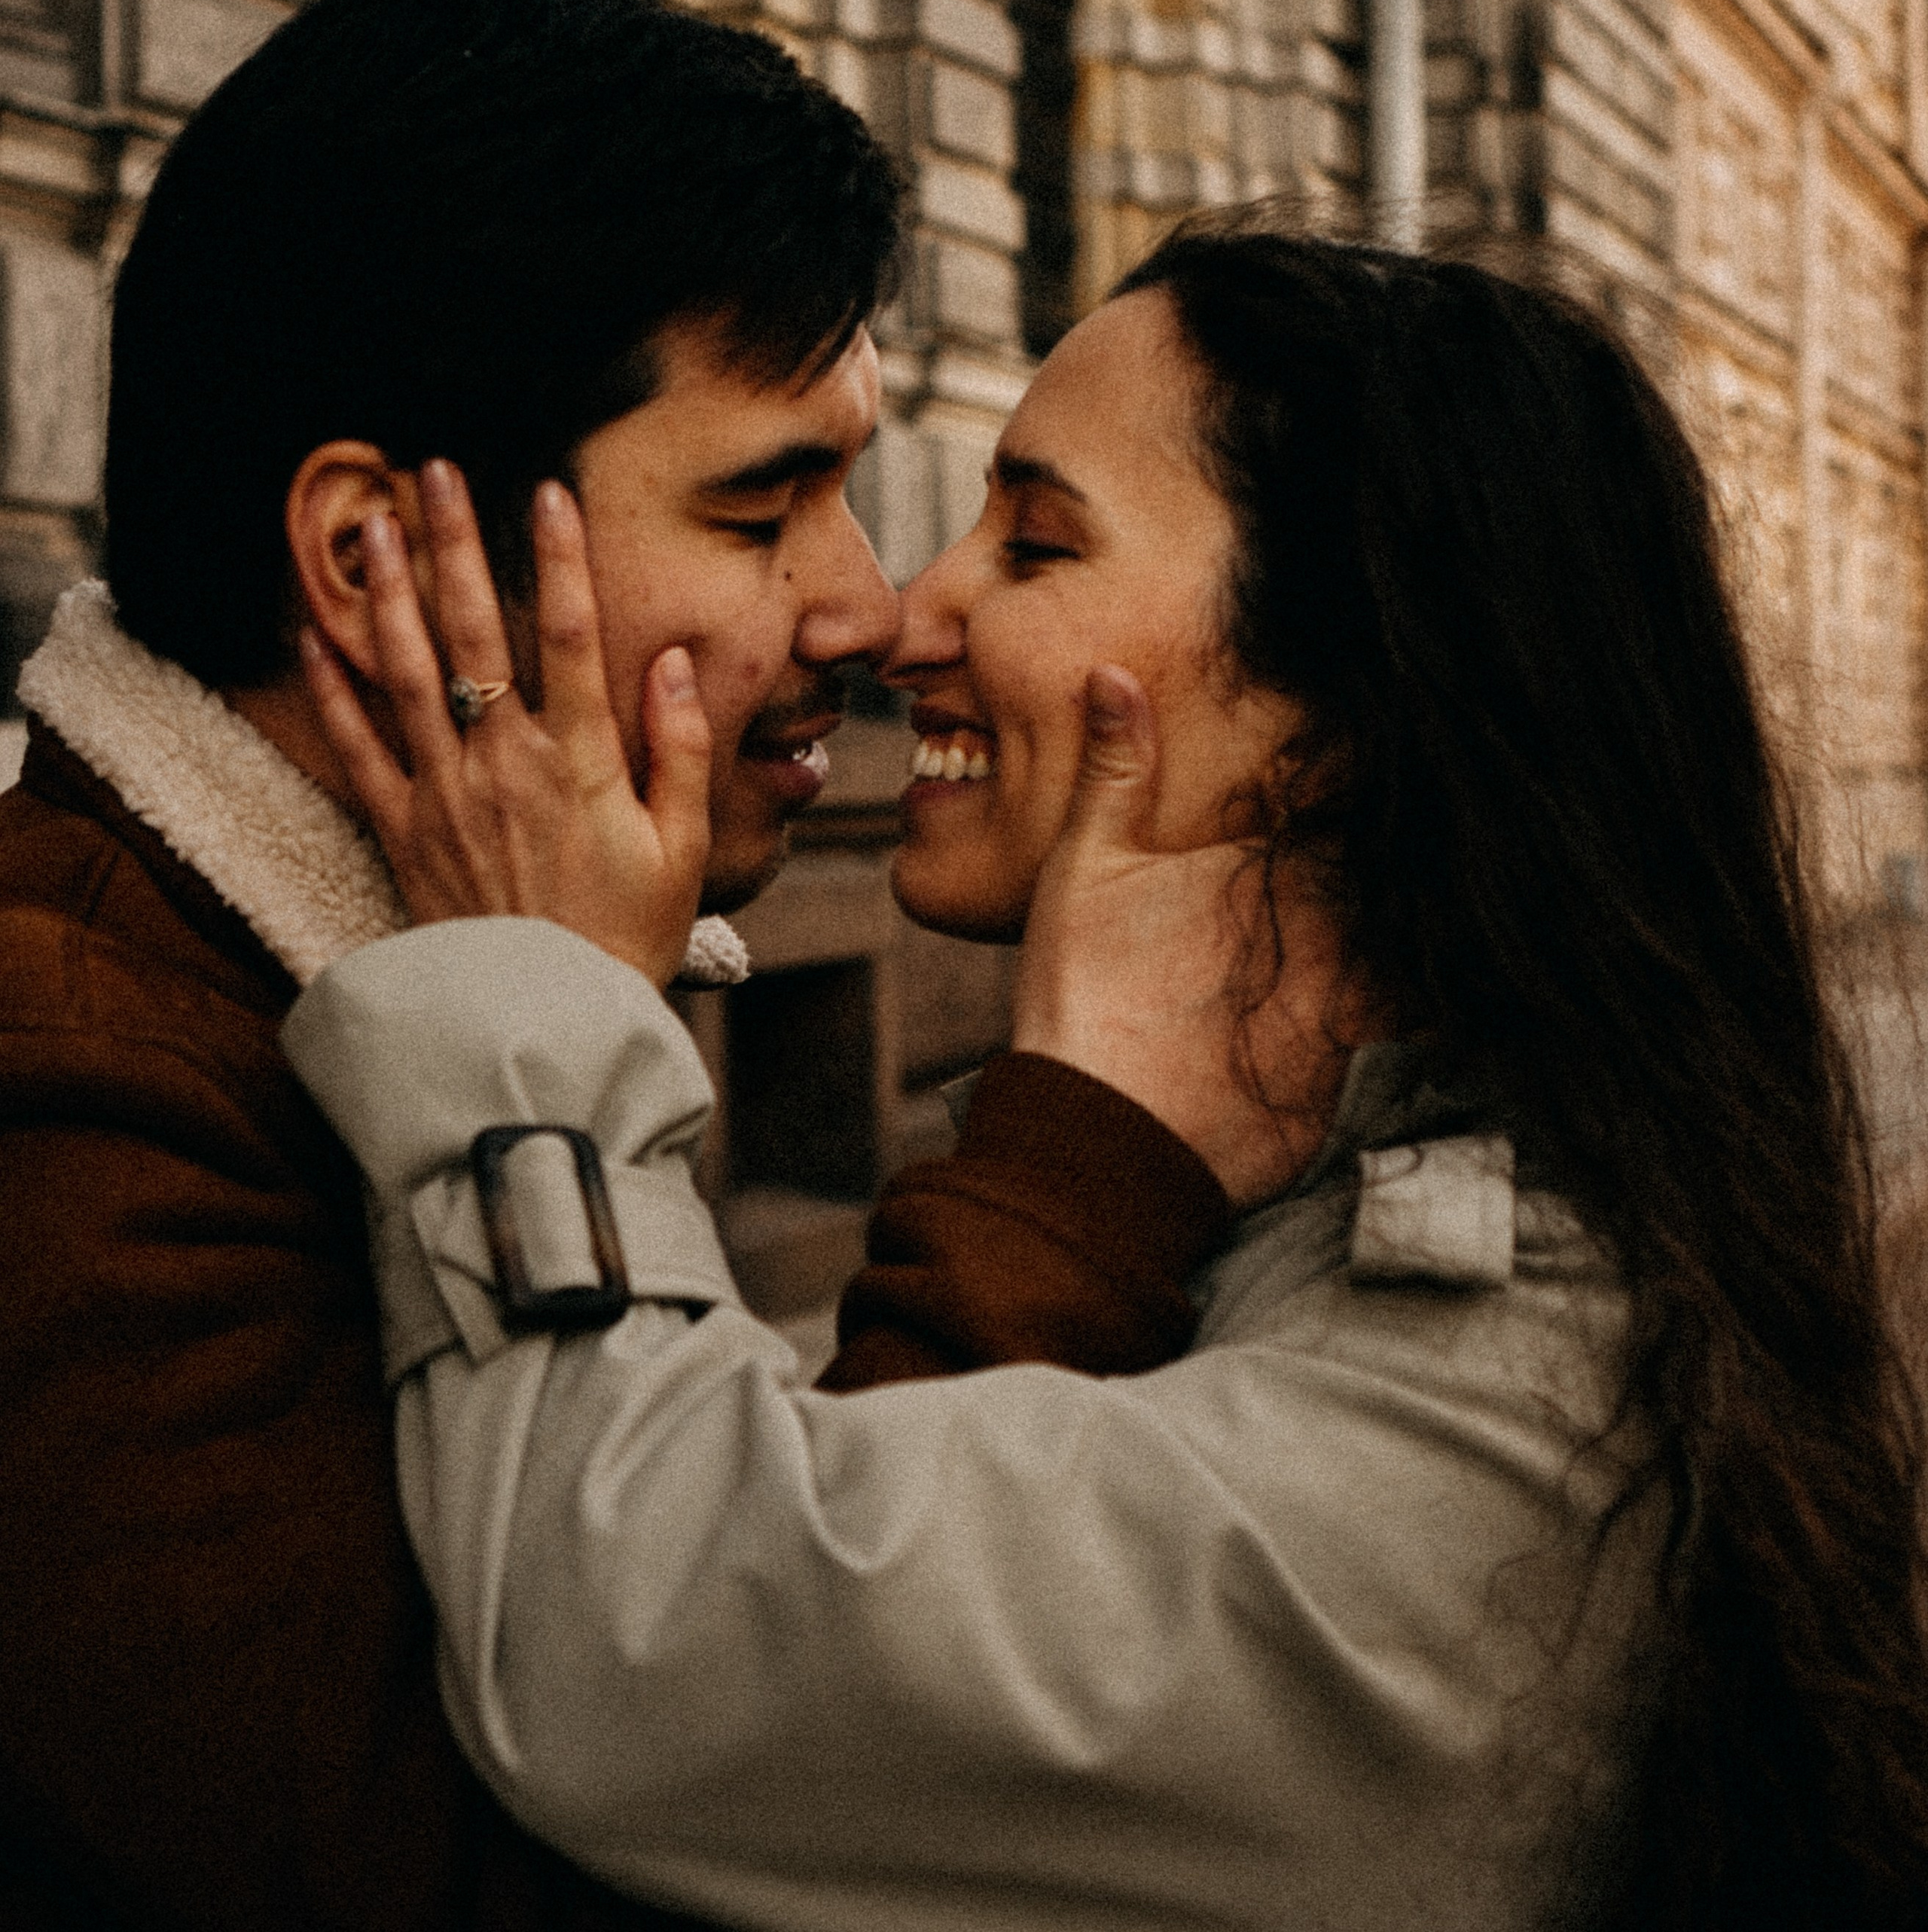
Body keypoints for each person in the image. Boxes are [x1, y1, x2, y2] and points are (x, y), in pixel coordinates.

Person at [285, 217, 1928, 1932]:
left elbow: (650, 1645)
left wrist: (530, 991)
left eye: (1036, 541)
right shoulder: (1359, 1201)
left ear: (1329, 717)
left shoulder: (1500, 1411)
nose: (904, 612)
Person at [0, 0, 1188, 1932]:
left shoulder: (498, 954)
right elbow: (755, 1818)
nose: (870, 609)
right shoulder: (75, 1099)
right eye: (760, 512)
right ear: (375, 556)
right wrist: (1078, 1158)